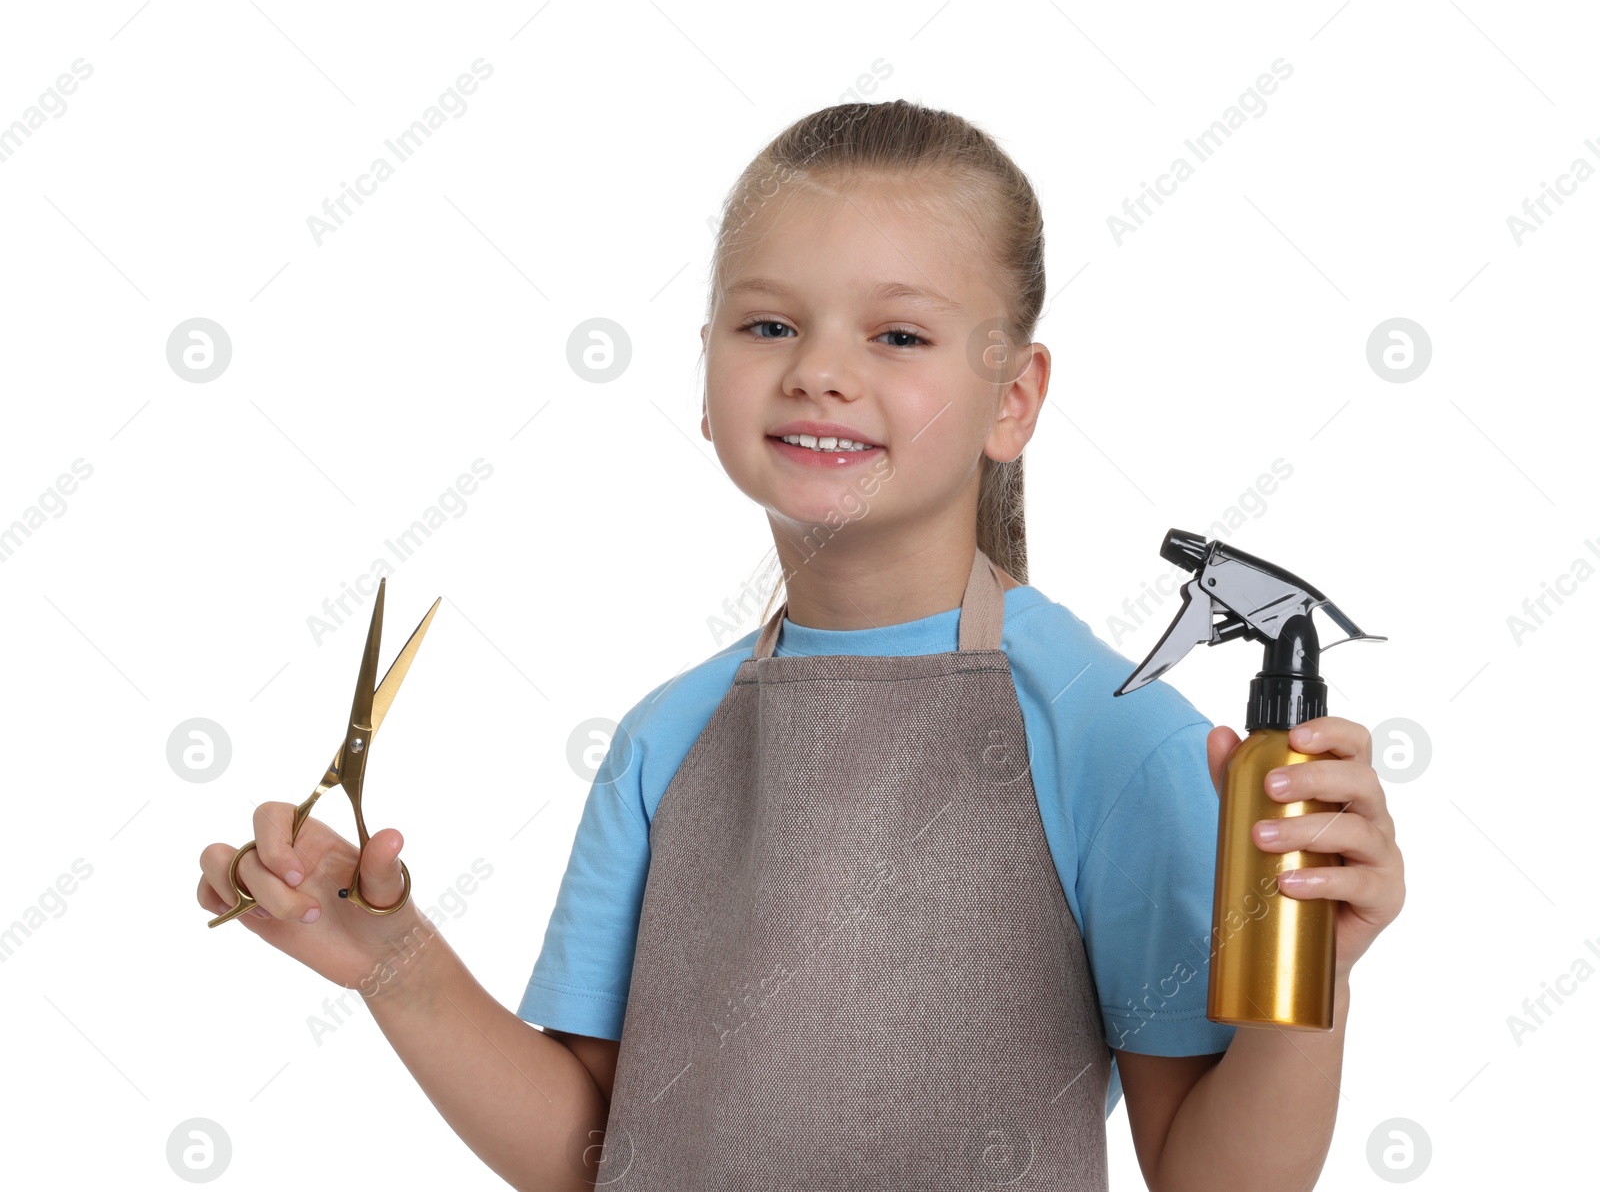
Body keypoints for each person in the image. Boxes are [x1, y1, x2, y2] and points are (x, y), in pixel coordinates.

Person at [197, 99, 1406, 1191]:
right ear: (707, 379)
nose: (820, 371)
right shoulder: (668, 737)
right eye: (770, 323)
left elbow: (1216, 1181)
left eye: (898, 337)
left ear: (1013, 399)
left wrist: (1316, 982)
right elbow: (598, 1156)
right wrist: (394, 960)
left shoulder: (1110, 732)